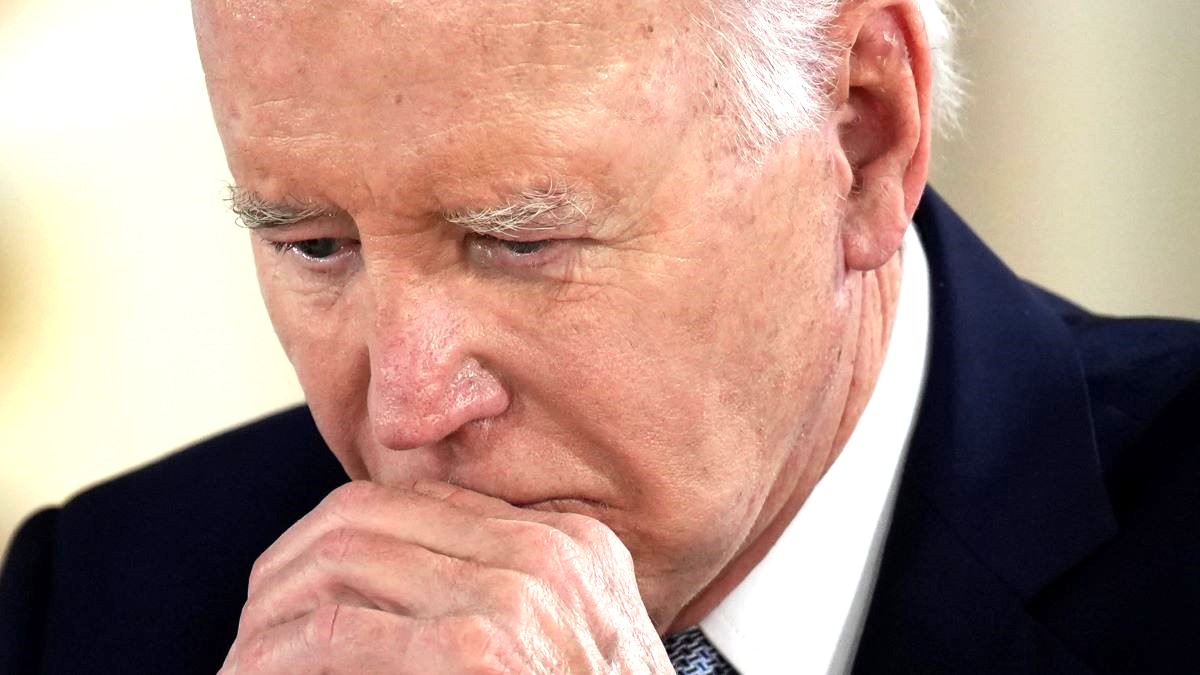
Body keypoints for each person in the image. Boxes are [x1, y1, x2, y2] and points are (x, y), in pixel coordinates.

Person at [2, 0, 1198, 672]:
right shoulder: (97, 604)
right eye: (315, 246)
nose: (407, 410)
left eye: (520, 243)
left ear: (863, 136)